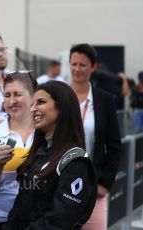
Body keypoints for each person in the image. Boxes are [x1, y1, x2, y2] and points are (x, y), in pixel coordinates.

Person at [2, 81, 97, 229]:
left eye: (40, 102)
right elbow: (20, 207)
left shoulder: (76, 162)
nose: (33, 109)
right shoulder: (39, 152)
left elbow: (59, 221)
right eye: (32, 104)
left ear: (62, 107)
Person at [69, 43, 121, 230]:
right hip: (60, 185)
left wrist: (106, 184)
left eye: (82, 65)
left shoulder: (104, 100)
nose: (77, 69)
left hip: (94, 187)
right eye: (73, 64)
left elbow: (115, 146)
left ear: (93, 67)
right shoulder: (58, 97)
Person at [0, 70, 37, 230]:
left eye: (17, 94)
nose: (12, 101)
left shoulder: (45, 133)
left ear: (33, 97)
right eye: (7, 95)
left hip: (35, 219)